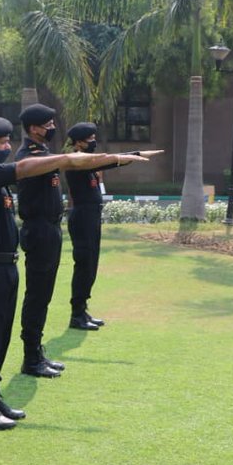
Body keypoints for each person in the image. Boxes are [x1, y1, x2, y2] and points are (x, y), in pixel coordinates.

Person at [0, 116, 148, 429]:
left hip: (4, 264)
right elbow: (24, 167)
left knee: (0, 337)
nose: (7, 147)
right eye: (2, 142)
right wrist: (66, 159)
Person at [63, 122, 162, 330]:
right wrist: (133, 156)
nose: (94, 142)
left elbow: (104, 161)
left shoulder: (88, 161)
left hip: (91, 217)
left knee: (91, 265)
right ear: (78, 142)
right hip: (82, 218)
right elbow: (106, 161)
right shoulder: (77, 160)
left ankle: (82, 309)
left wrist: (134, 155)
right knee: (84, 266)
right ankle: (76, 314)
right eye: (90, 139)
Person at [14, 103, 68, 378]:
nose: (52, 128)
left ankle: (37, 351)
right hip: (39, 231)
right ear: (34, 129)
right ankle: (31, 357)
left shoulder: (44, 153)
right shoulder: (29, 156)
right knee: (36, 295)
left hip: (51, 229)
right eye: (47, 125)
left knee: (44, 295)